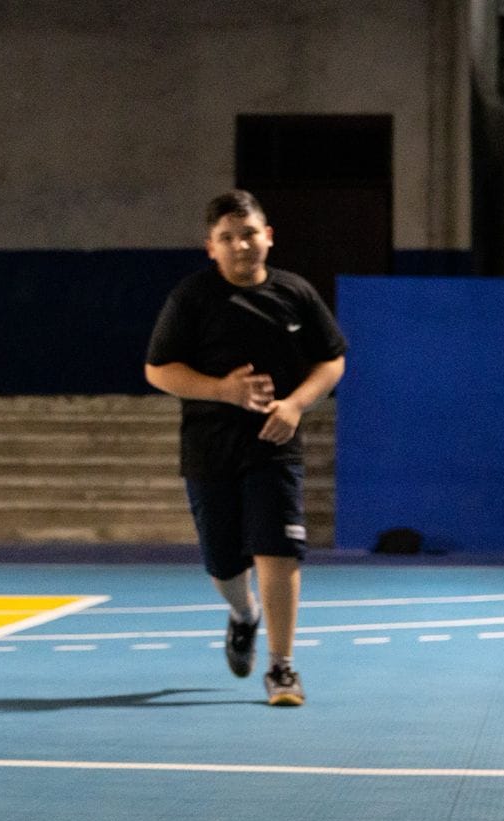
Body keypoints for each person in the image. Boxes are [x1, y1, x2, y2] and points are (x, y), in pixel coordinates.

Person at [145, 189, 347, 706]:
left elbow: (332, 360)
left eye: (250, 233)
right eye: (228, 238)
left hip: (275, 444)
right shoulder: (190, 299)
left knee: (277, 552)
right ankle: (243, 614)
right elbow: (158, 369)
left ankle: (282, 667)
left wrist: (297, 405)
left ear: (269, 236)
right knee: (223, 564)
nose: (241, 245)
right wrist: (222, 390)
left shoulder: (296, 294)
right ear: (211, 247)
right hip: (210, 447)